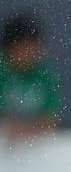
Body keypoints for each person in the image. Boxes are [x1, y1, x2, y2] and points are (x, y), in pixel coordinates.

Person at [0, 12, 62, 140]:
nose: (30, 54)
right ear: (10, 48)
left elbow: (51, 119)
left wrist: (26, 131)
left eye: (34, 48)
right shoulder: (2, 71)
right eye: (24, 48)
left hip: (32, 143)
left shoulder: (43, 74)